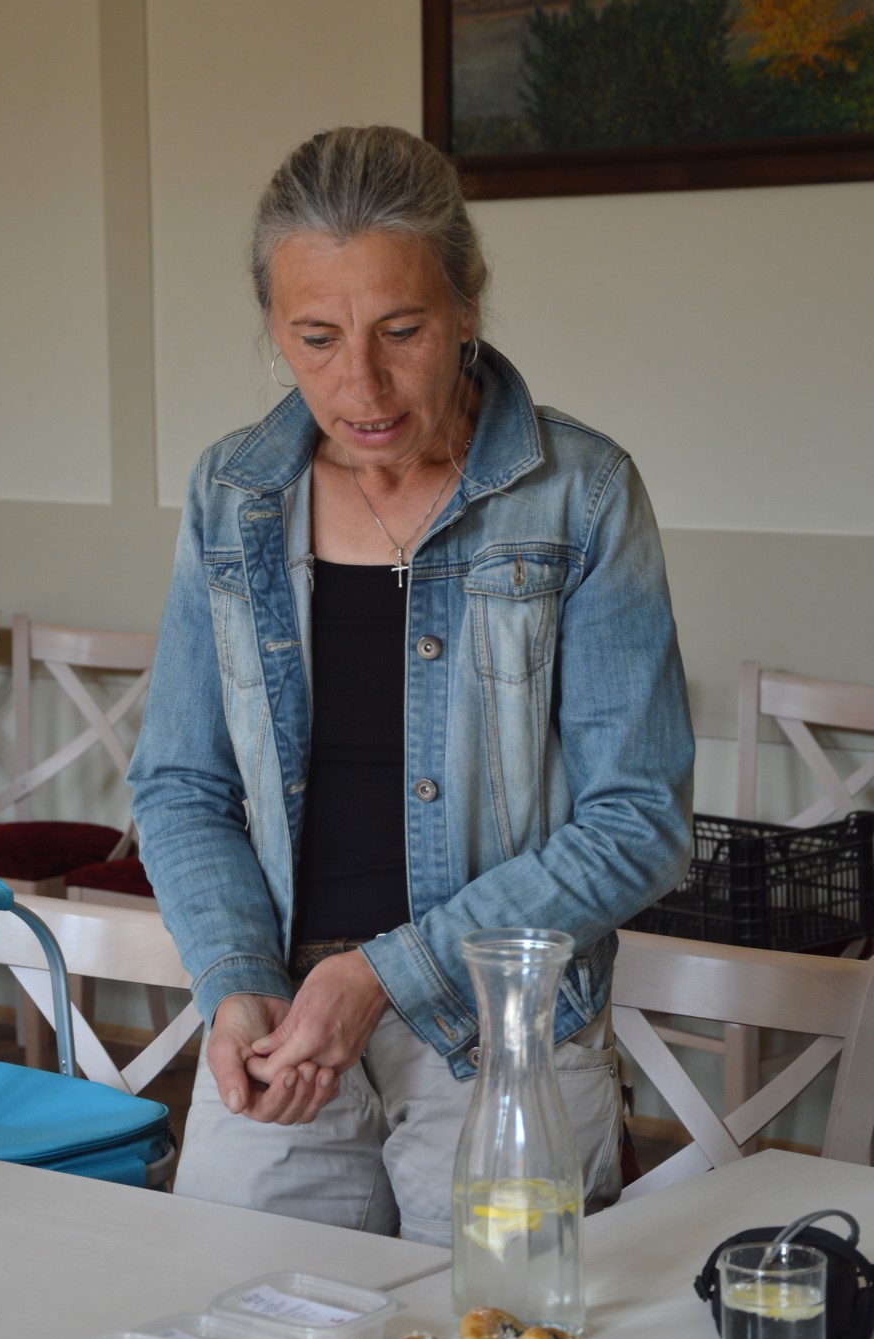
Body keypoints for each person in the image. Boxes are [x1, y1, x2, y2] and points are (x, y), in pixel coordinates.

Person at [128, 125, 694, 1245]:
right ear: (275, 330)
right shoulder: (230, 496)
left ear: (466, 308)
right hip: (282, 1025)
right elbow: (180, 785)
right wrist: (236, 978)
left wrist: (384, 975)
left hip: (502, 1036)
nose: (361, 384)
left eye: (401, 331)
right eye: (317, 337)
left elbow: (637, 821)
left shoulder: (579, 494)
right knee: (228, 1336)